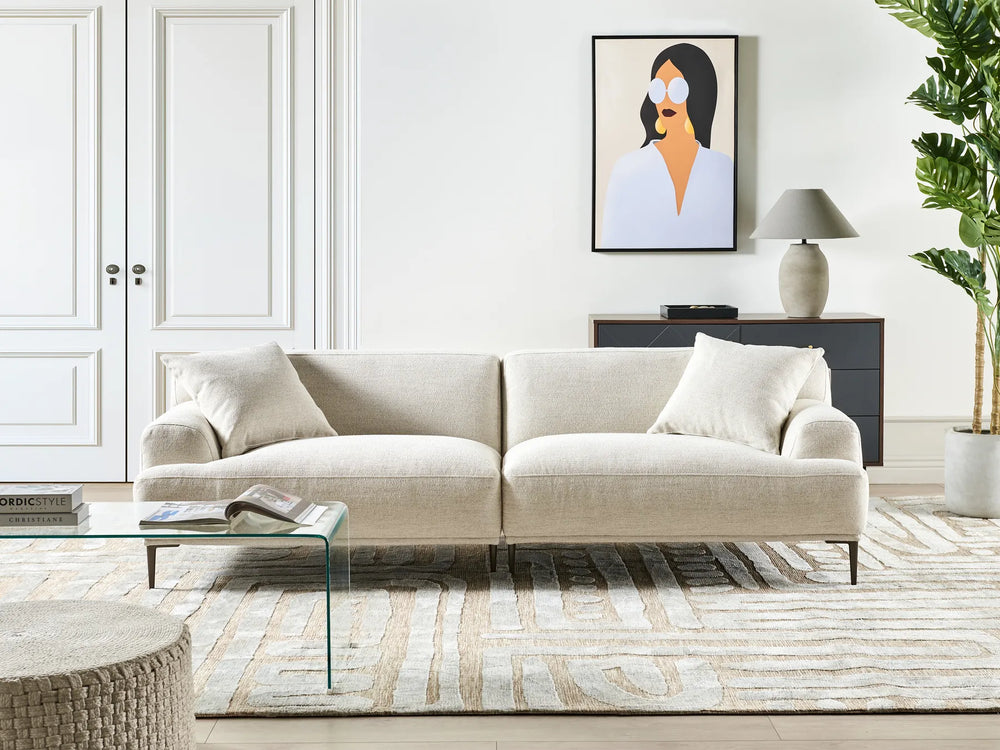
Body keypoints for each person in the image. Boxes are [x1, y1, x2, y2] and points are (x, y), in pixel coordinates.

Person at [601, 43, 734, 249]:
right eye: (658, 89)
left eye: (677, 89)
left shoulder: (723, 167)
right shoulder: (627, 168)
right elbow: (612, 241)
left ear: (698, 92)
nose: (665, 100)